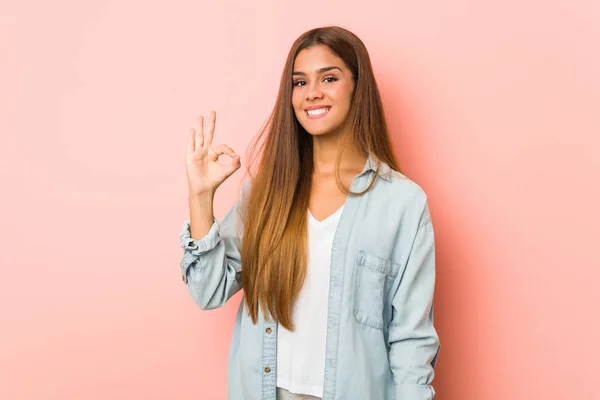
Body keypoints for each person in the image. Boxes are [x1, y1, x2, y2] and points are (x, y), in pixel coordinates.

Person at [180, 26, 440, 400]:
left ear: (358, 86)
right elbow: (209, 290)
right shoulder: (267, 192)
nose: (312, 92)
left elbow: (411, 339)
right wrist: (201, 196)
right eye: (299, 82)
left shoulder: (402, 203)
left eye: (329, 78)